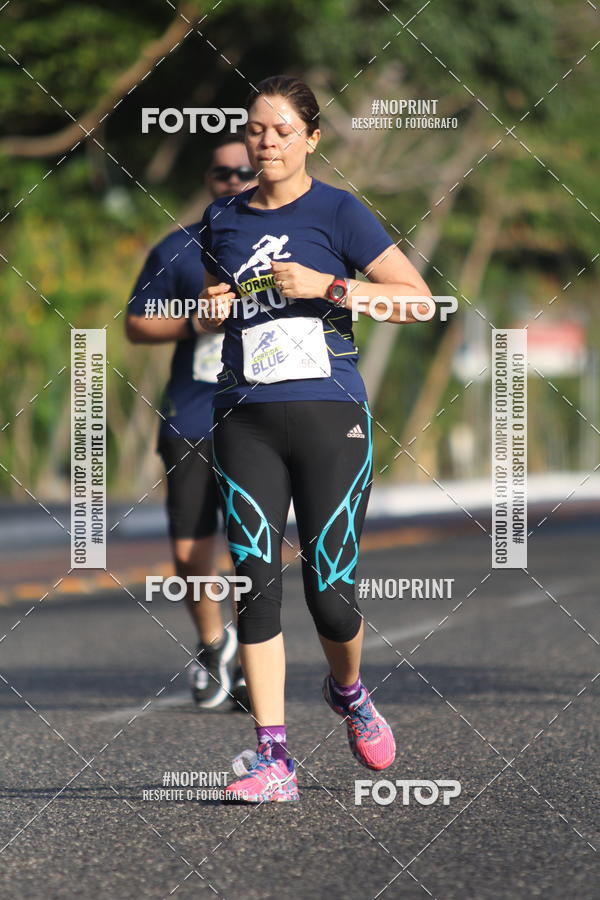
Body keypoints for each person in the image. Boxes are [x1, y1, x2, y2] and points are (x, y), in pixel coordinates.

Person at [194, 75, 433, 801]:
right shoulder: (220, 220)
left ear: (312, 139)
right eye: (256, 130)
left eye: (281, 131)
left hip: (331, 418)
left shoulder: (339, 212)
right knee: (254, 586)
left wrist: (329, 288)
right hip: (246, 421)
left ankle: (351, 691)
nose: (266, 142)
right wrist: (211, 309)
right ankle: (274, 761)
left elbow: (418, 302)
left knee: (330, 597)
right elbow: (212, 315)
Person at [125, 136, 257, 710]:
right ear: (208, 180)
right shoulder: (178, 250)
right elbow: (136, 323)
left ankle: (256, 659)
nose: (232, 182)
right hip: (193, 415)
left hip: (262, 413)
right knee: (187, 553)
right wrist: (195, 325)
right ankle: (213, 643)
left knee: (255, 547)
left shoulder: (284, 244)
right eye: (221, 174)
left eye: (244, 172)